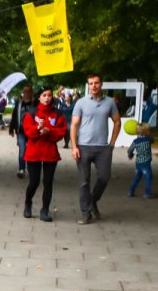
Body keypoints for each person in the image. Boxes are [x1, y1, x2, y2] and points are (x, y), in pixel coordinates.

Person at [70, 72, 121, 223]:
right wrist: (74, 146)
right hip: (84, 146)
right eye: (91, 83)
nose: (94, 86)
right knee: (84, 181)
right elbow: (74, 125)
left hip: (103, 148)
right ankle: (86, 213)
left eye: (96, 83)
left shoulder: (110, 102)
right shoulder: (81, 103)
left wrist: (111, 144)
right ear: (88, 85)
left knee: (104, 177)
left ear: (101, 84)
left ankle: (93, 200)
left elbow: (117, 122)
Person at [21, 86, 67, 221]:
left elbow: (62, 132)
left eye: (49, 95)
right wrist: (38, 128)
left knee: (48, 182)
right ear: (39, 97)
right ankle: (28, 202)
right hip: (34, 153)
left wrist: (49, 131)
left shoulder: (57, 114)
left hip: (50, 153)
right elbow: (28, 131)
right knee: (34, 182)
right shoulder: (31, 113)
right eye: (44, 95)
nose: (47, 98)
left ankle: (45, 210)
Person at [8, 84, 34, 177]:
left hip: (32, 131)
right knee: (22, 150)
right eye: (25, 91)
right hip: (21, 131)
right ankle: (22, 168)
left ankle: (32, 169)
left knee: (32, 151)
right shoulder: (19, 104)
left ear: (31, 93)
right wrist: (11, 129)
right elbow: (14, 117)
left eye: (28, 91)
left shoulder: (34, 104)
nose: (26, 93)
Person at [127, 122, 157, 199]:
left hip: (138, 162)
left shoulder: (135, 141)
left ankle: (131, 190)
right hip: (146, 163)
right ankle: (147, 192)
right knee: (148, 176)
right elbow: (153, 140)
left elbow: (130, 150)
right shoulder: (148, 139)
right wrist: (149, 135)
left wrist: (131, 155)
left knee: (137, 176)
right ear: (146, 132)